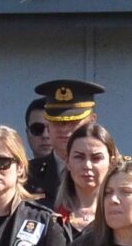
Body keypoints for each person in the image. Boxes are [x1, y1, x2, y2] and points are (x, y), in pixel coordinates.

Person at [26, 78, 102, 208]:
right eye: (57, 122)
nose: (64, 129)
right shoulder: (27, 174)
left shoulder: (113, 173)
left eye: (73, 121)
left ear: (92, 121)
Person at [53, 119, 117, 234]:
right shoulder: (50, 214)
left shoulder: (121, 214)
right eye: (79, 157)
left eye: (96, 158)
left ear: (112, 163)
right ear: (67, 162)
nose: (87, 165)